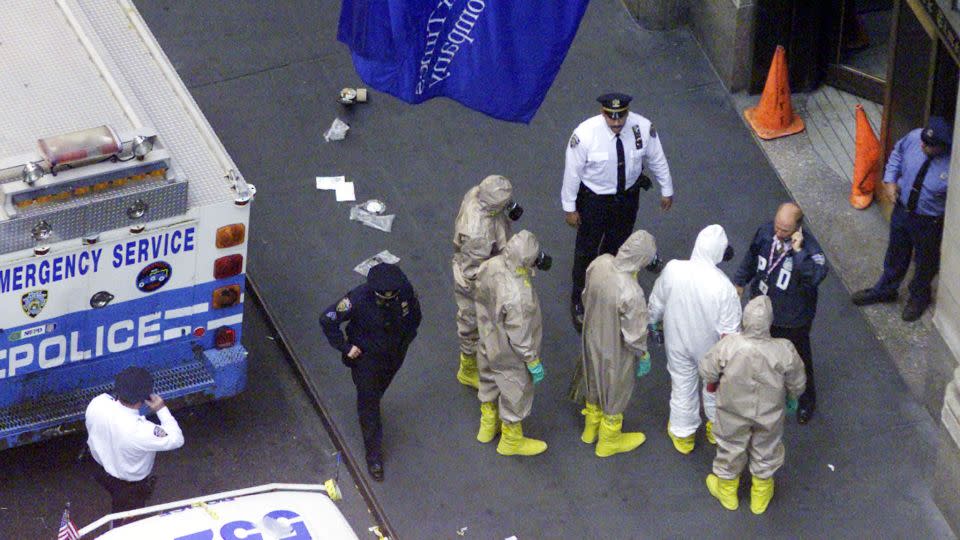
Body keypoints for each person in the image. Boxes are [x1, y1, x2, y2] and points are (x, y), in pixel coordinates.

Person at [562, 93, 674, 330]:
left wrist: (667, 189)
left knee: (616, 247)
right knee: (586, 250)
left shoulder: (642, 128)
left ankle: (609, 289)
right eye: (611, 117)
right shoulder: (585, 134)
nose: (616, 122)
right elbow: (572, 172)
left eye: (620, 116)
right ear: (603, 113)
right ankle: (579, 300)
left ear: (627, 112)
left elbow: (656, 159)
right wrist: (569, 207)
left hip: (627, 198)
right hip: (594, 200)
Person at [700, 295, 806, 514]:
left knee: (730, 444)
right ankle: (761, 493)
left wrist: (713, 381)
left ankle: (727, 490)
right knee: (767, 446)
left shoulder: (729, 344)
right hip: (769, 411)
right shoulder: (784, 349)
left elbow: (707, 370)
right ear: (770, 321)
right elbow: (797, 380)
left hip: (732, 409)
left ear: (744, 318)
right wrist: (793, 397)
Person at [321, 263, 421, 481]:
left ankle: (372, 403)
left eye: (390, 297)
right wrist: (346, 347)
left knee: (377, 393)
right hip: (367, 360)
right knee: (369, 403)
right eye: (382, 298)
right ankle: (373, 456)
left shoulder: (404, 291)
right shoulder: (357, 299)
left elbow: (414, 316)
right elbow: (327, 319)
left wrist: (406, 340)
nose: (387, 300)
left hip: (394, 356)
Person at [648, 224, 741, 454]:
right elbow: (731, 333)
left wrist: (653, 324)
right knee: (714, 389)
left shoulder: (673, 269)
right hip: (710, 350)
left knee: (682, 385)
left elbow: (656, 302)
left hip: (676, 341)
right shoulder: (724, 287)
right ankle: (716, 428)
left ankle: (683, 433)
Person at [732, 203, 827, 424]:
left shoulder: (811, 251)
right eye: (777, 226)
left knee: (799, 359)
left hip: (793, 319)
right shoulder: (766, 233)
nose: (778, 232)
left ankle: (806, 398)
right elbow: (752, 257)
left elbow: (815, 277)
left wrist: (798, 253)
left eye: (785, 230)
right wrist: (740, 280)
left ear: (797, 228)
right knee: (758, 353)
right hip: (763, 310)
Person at [852, 117, 952, 322]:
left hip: (929, 221)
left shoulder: (953, 166)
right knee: (896, 252)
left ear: (942, 147)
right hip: (903, 210)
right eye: (923, 140)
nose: (922, 145)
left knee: (926, 261)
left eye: (929, 145)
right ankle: (886, 289)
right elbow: (897, 153)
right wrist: (889, 180)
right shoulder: (915, 137)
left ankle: (919, 296)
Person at [474, 230, 552, 456]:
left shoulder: (493, 265)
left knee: (488, 376)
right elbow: (520, 335)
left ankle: (488, 423)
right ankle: (511, 439)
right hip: (510, 351)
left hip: (489, 335)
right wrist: (532, 360)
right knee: (514, 388)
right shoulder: (519, 294)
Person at [580, 230, 657, 457]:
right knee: (615, 385)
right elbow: (634, 334)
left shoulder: (601, 263)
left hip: (592, 332)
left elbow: (586, 295)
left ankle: (590, 426)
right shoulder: (632, 291)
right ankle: (609, 439)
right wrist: (642, 353)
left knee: (592, 375)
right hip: (615, 345)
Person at [452, 174, 521, 389]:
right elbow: (475, 271)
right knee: (471, 324)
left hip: (480, 257)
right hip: (472, 281)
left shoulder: (476, 194)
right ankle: (468, 369)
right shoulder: (478, 234)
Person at [85, 366, 184, 514]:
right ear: (145, 398)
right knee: (125, 523)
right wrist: (161, 409)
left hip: (100, 468)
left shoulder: (97, 403)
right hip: (129, 488)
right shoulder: (142, 431)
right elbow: (177, 439)